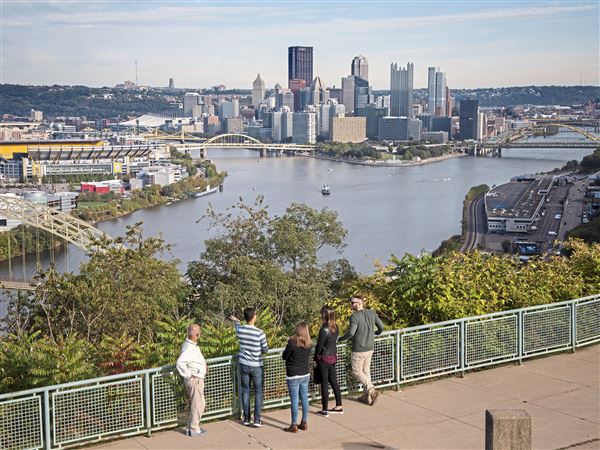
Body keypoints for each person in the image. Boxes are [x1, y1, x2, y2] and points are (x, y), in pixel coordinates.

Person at [339, 295, 385, 406]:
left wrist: (340, 339)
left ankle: (371, 390)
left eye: (352, 302)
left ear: (359, 303)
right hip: (370, 347)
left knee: (356, 371)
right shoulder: (372, 313)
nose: (351, 305)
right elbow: (382, 327)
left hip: (359, 349)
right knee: (365, 371)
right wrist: (376, 333)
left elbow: (351, 333)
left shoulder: (354, 317)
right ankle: (367, 397)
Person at [230, 308, 269, 427]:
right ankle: (257, 419)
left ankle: (246, 418)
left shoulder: (241, 330)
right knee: (258, 392)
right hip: (256, 365)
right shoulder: (259, 333)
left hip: (243, 364)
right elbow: (265, 349)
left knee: (245, 391)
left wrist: (237, 321)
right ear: (254, 317)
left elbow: (237, 326)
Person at [176, 323, 208, 437]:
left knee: (200, 403)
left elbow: (194, 359)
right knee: (197, 404)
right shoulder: (189, 348)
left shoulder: (191, 344)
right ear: (197, 334)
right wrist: (189, 375)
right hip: (195, 379)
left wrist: (203, 365)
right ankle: (194, 429)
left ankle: (191, 427)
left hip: (197, 378)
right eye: (199, 331)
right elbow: (180, 362)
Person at [282, 322, 312, 433]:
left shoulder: (291, 342)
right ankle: (304, 422)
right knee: (304, 398)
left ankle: (293, 425)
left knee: (294, 401)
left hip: (293, 375)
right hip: (305, 374)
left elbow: (285, 356)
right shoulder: (309, 343)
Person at [314, 306, 343, 417]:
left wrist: (316, 357)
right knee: (333, 381)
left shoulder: (324, 329)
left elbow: (319, 346)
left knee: (325, 383)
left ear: (324, 315)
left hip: (324, 359)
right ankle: (339, 405)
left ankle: (324, 409)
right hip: (333, 357)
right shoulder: (335, 327)